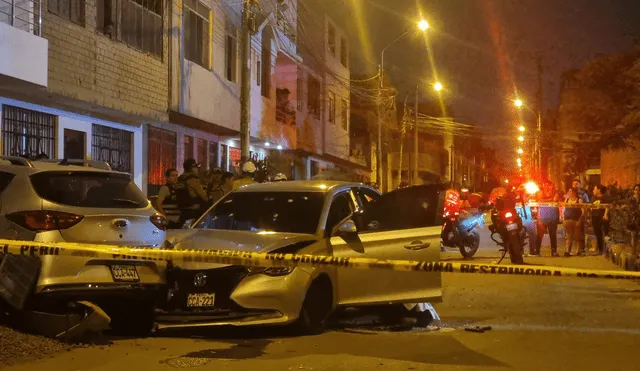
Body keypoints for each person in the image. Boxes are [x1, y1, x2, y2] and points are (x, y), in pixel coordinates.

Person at [176, 158, 209, 224]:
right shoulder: (193, 180)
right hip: (194, 211)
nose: (197, 169)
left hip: (182, 210)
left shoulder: (179, 179)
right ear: (192, 168)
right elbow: (204, 197)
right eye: (196, 167)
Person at [535, 180, 562, 257]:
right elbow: (539, 200)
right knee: (539, 235)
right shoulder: (540, 192)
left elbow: (555, 200)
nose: (547, 187)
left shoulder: (555, 192)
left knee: (553, 235)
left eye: (548, 185)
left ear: (551, 186)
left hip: (553, 217)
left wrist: (546, 200)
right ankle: (537, 251)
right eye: (545, 185)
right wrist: (549, 200)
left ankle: (554, 251)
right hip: (542, 217)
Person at [563, 187, 585, 257]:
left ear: (574, 192)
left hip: (576, 220)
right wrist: (563, 220)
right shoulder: (566, 200)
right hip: (567, 220)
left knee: (577, 237)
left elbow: (583, 211)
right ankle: (567, 251)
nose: (569, 193)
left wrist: (579, 220)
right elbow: (563, 210)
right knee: (568, 236)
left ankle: (577, 251)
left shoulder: (579, 200)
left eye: (570, 191)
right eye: (568, 191)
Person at [591, 185, 611, 255]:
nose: (593, 190)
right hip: (594, 217)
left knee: (606, 234)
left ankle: (607, 251)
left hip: (602, 217)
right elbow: (591, 206)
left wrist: (605, 214)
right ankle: (600, 250)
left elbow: (607, 206)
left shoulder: (605, 197)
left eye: (594, 189)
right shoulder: (593, 198)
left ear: (599, 190)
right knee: (598, 234)